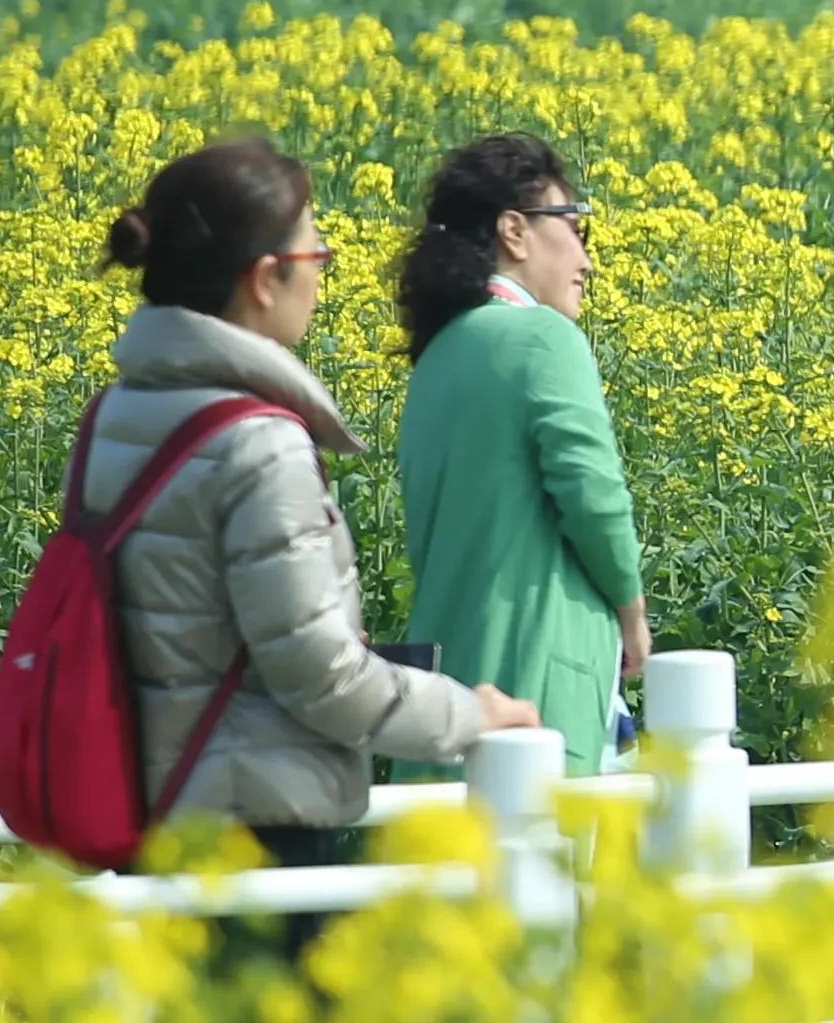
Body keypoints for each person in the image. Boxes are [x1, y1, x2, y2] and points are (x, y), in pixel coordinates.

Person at [84, 134, 526, 862]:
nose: (320, 278)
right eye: (314, 256)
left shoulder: (118, 414)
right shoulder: (258, 443)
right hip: (257, 830)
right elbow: (318, 673)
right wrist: (469, 714)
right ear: (264, 278)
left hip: (152, 809)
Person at [393, 132, 651, 769]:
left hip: (448, 689)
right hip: (534, 683)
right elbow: (594, 497)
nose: (587, 260)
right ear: (514, 230)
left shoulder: (438, 353)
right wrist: (632, 614)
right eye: (576, 228)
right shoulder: (541, 336)